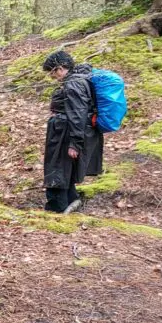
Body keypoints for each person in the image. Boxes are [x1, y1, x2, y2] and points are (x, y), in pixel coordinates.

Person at [41, 50, 104, 213]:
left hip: (66, 133)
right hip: (67, 131)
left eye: (52, 72)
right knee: (65, 170)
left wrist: (75, 144)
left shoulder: (73, 84)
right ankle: (71, 201)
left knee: (57, 169)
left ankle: (57, 209)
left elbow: (78, 114)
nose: (51, 76)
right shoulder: (79, 79)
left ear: (60, 68)